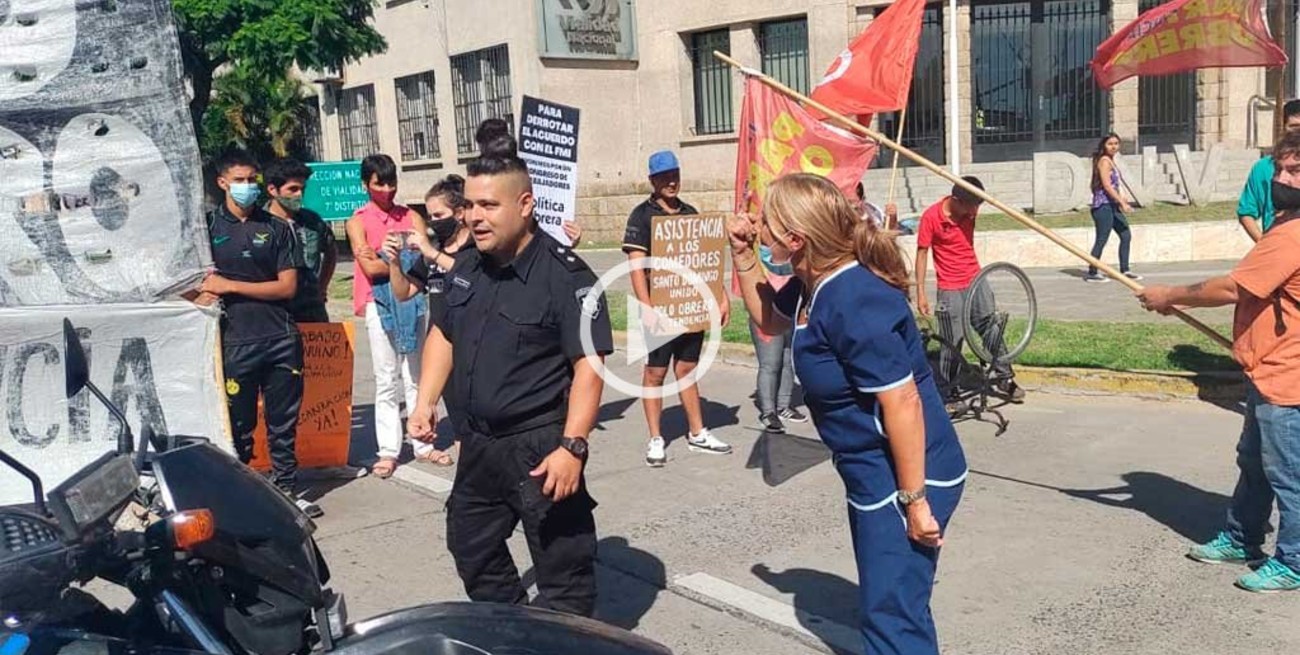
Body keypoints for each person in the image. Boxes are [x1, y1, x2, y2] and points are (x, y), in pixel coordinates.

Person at [728, 173, 967, 653]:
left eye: (766, 223)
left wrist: (915, 501)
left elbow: (902, 402)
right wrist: (742, 254)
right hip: (870, 471)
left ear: (796, 240)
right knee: (892, 603)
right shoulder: (812, 286)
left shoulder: (853, 299)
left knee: (892, 615)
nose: (759, 227)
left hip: (905, 474)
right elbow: (770, 317)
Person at [406, 134, 613, 617]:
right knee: (471, 546)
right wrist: (425, 400)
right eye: (470, 205)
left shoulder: (567, 277)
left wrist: (574, 446)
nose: (474, 216)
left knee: (564, 574)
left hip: (540, 447)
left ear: (525, 204)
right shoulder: (466, 268)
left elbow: (589, 366)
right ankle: (516, 630)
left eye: (488, 205)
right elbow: (444, 332)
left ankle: (566, 647)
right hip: (479, 447)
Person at [1136, 131, 1300, 594]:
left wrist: (1169, 296)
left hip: (1285, 377)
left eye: (1296, 171)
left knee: (1287, 472)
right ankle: (1242, 535)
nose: (1283, 178)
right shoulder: (1286, 224)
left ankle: (1294, 560)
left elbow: (1233, 288)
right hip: (1267, 370)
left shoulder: (1291, 235)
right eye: (1281, 168)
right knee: (1255, 461)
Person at [199, 150, 320, 518]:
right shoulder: (206, 229)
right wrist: (204, 292)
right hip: (233, 343)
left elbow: (286, 288)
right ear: (222, 183)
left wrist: (229, 286)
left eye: (252, 179)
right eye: (240, 180)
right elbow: (192, 285)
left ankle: (287, 489)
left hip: (280, 340)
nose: (247, 187)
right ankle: (241, 492)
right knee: (238, 425)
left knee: (283, 422)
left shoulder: (278, 228)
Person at [622, 149, 732, 467]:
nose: (671, 181)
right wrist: (646, 307)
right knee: (655, 373)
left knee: (686, 370)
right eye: (664, 176)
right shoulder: (641, 216)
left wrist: (721, 297)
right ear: (653, 180)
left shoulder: (690, 212)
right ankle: (656, 438)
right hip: (658, 306)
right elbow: (635, 265)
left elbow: (705, 261)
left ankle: (698, 432)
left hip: (689, 308)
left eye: (675, 175)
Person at [346, 154, 450, 478]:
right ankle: (389, 450)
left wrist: (390, 258)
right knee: (386, 378)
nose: (387, 190)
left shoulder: (411, 216)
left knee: (416, 373)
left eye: (392, 183)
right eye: (380, 183)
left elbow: (421, 257)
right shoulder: (358, 221)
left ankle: (422, 442)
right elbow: (370, 268)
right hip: (378, 303)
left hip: (413, 300)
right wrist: (397, 258)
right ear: (366, 184)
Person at [914, 176, 1025, 407]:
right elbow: (922, 253)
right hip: (949, 287)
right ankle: (949, 390)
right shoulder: (931, 217)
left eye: (978, 205)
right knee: (951, 341)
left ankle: (1004, 378)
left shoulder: (970, 211)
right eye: (971, 205)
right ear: (955, 200)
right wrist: (921, 293)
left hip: (976, 279)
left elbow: (985, 203)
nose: (975, 211)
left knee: (991, 328)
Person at [264, 158, 337, 322]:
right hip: (276, 311)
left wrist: (322, 286)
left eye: (302, 189)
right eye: (293, 189)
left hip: (312, 308)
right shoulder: (259, 224)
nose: (299, 195)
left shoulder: (312, 221)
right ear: (273, 190)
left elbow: (331, 250)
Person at [748, 245, 805, 433]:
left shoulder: (797, 252)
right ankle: (768, 412)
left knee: (788, 360)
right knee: (770, 363)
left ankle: (783, 405)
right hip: (767, 310)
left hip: (790, 308)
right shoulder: (762, 252)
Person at [1238, 99, 1300, 243]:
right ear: (1283, 128)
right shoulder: (1263, 168)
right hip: (1279, 249)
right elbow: (1246, 212)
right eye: (1294, 127)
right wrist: (1264, 245)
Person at [1085, 133, 1140, 283]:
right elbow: (1107, 186)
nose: (1114, 146)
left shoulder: (1111, 161)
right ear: (1104, 145)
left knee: (1125, 234)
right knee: (1101, 239)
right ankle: (1092, 271)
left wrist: (1122, 197)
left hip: (1112, 205)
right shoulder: (1104, 161)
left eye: (1116, 143)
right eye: (1110, 144)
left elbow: (1116, 184)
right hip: (1103, 206)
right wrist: (1122, 203)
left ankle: (1125, 269)